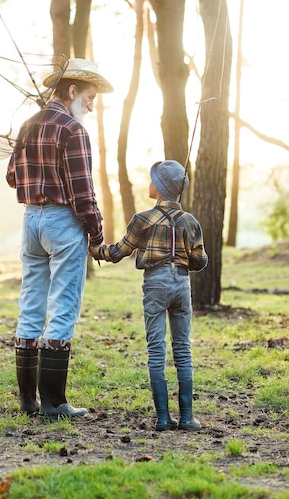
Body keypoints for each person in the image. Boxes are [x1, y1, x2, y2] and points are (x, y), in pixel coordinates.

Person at [6, 58, 113, 419]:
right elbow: (83, 194)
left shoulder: (27, 125)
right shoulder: (72, 130)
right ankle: (54, 402)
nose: (92, 105)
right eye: (90, 96)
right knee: (64, 306)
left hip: (30, 222)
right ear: (71, 91)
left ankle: (27, 400)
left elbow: (11, 177)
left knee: (31, 304)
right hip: (62, 222)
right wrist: (96, 235)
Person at [89, 160, 208, 431]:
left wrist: (96, 251)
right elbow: (200, 262)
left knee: (157, 349)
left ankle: (163, 418)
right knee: (183, 349)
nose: (150, 183)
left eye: (153, 180)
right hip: (181, 284)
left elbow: (119, 251)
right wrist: (187, 253)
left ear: (162, 187)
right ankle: (188, 418)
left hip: (155, 283)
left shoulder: (142, 219)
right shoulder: (190, 222)